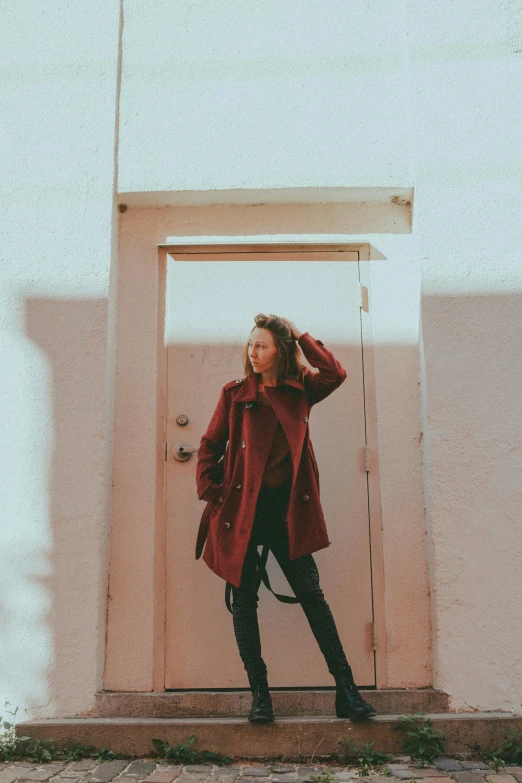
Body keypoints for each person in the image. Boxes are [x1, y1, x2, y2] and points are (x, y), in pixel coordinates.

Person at [195, 313, 376, 724]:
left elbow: (336, 372)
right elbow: (209, 446)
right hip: (242, 512)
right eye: (250, 344)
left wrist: (298, 334)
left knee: (313, 597)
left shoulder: (301, 391)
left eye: (262, 345)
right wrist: (212, 491)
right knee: (243, 603)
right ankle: (260, 697)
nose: (252, 352)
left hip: (287, 512)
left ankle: (347, 692)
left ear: (280, 351)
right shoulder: (236, 395)